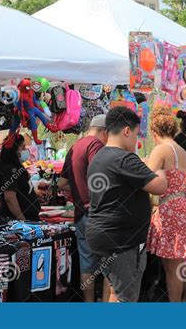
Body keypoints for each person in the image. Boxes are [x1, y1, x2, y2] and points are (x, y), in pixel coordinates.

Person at [86, 106, 168, 302]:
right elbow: (159, 186)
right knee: (127, 297)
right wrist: (160, 170)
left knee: (117, 291)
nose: (136, 141)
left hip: (103, 235)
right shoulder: (124, 158)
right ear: (126, 131)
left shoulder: (100, 156)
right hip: (121, 239)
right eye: (136, 135)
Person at [145, 105, 186, 302]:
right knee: (180, 260)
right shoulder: (182, 151)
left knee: (170, 267)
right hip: (183, 205)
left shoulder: (161, 149)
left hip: (169, 209)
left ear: (153, 131)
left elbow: (145, 177)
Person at [58, 114, 110, 302]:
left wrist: (79, 191)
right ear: (105, 132)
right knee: (108, 265)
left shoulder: (75, 146)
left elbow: (62, 183)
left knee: (87, 264)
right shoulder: (96, 145)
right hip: (98, 214)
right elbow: (101, 177)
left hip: (81, 215)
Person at [0, 134, 41, 221]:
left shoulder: (18, 167)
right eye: (22, 148)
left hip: (29, 218)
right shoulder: (10, 169)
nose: (26, 150)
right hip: (17, 221)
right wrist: (23, 221)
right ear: (13, 150)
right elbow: (9, 198)